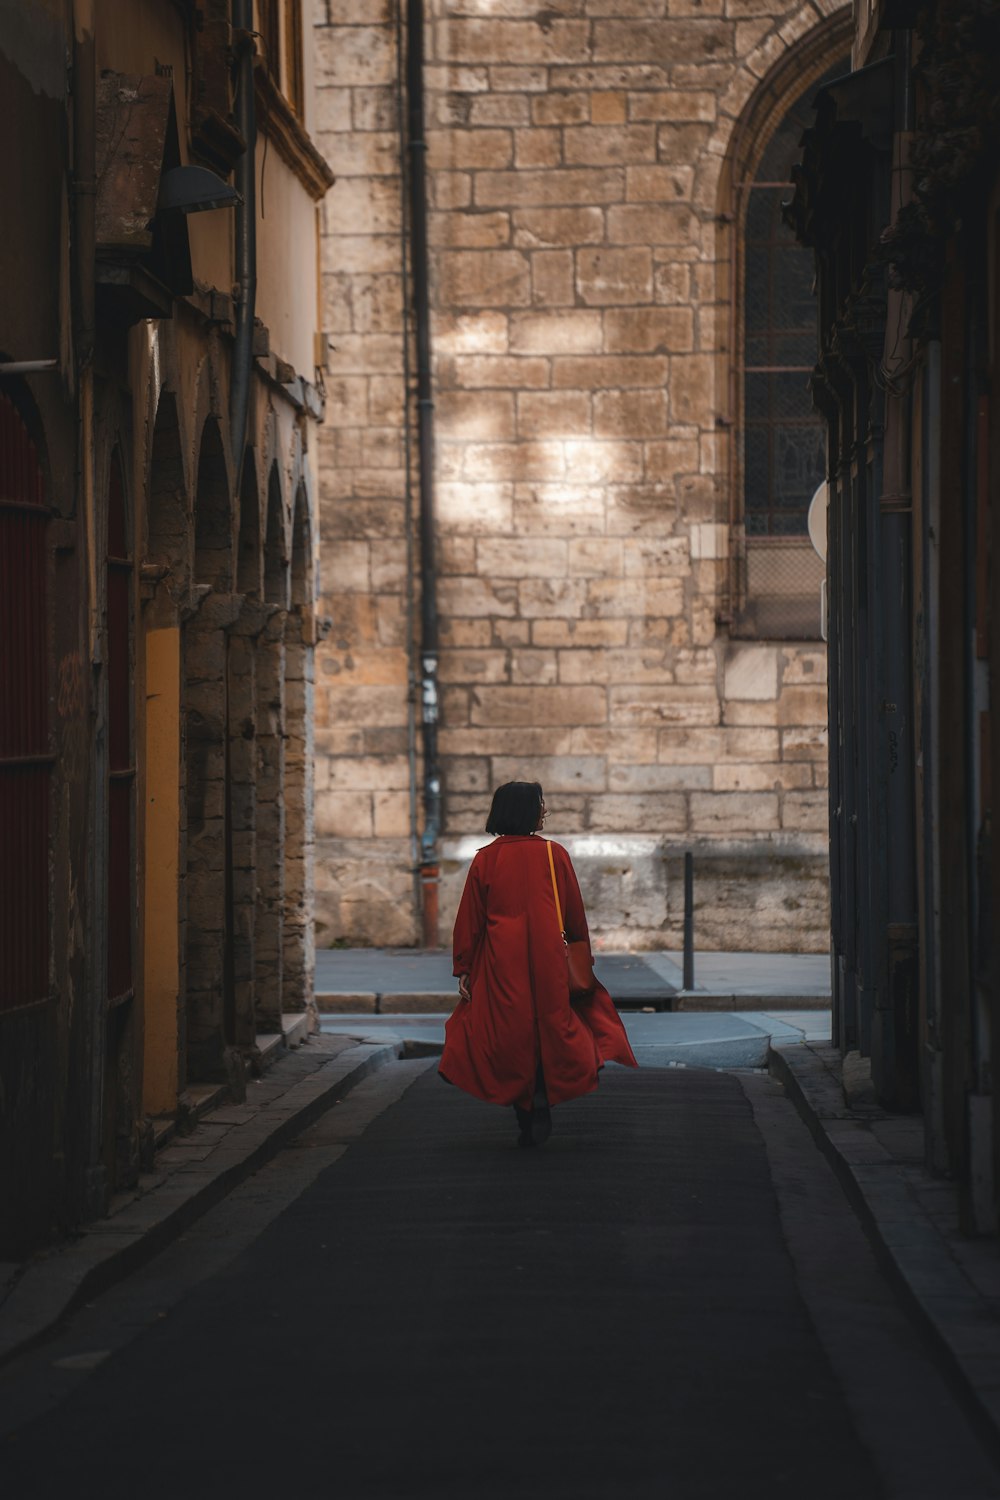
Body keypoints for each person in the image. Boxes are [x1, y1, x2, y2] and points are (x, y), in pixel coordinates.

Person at [439, 781, 638, 1147]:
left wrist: (464, 967)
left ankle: (523, 1104)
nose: (545, 809)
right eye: (541, 803)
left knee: (509, 1032)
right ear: (526, 810)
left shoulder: (486, 858)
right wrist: (583, 958)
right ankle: (543, 1095)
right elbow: (574, 916)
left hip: (501, 962)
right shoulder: (554, 854)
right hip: (548, 959)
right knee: (551, 1026)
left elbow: (470, 920)